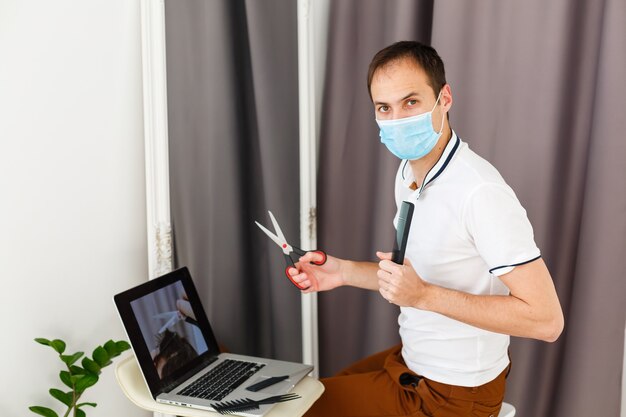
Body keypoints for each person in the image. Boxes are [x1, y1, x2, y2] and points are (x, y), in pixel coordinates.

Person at [293, 41, 564, 417]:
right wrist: (341, 272)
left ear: (445, 98)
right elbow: (413, 280)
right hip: (412, 361)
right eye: (384, 108)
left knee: (300, 410)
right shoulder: (408, 173)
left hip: (454, 393)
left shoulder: (479, 192)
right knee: (307, 393)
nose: (397, 120)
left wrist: (423, 297)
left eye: (411, 102)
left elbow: (546, 320)